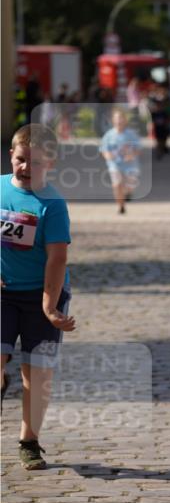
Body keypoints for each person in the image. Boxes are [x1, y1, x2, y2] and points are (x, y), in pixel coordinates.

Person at [1, 124, 76, 470]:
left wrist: (50, 304)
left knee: (38, 372)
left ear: (52, 163)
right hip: (3, 291)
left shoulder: (53, 204)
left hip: (42, 292)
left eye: (37, 163)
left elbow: (57, 257)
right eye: (21, 160)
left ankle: (29, 441)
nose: (27, 168)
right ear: (11, 156)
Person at [99, 107, 142, 214]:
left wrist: (132, 155)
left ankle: (128, 192)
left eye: (121, 118)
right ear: (113, 121)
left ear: (125, 120)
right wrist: (107, 155)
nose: (119, 121)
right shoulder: (109, 135)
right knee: (117, 184)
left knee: (130, 185)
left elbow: (138, 149)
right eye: (117, 118)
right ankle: (120, 206)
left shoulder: (131, 134)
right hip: (115, 164)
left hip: (130, 165)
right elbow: (103, 149)